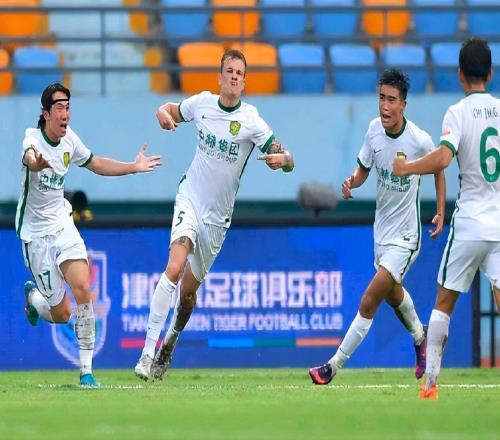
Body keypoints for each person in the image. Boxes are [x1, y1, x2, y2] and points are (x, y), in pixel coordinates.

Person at [134, 49, 295, 381]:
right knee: (174, 267)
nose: (234, 77)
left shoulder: (251, 120)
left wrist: (286, 160)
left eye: (239, 73)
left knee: (187, 296)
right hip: (190, 197)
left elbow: (284, 156)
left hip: (217, 220)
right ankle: (146, 355)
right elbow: (169, 110)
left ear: (244, 82)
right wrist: (160, 113)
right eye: (229, 71)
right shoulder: (202, 104)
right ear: (220, 77)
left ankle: (170, 341)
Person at [17, 82, 161, 387]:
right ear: (45, 114)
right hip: (35, 235)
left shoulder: (69, 140)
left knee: (83, 287)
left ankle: (86, 372)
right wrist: (35, 163)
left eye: (68, 107)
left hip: (62, 223)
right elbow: (29, 156)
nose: (65, 114)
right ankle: (34, 299)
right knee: (62, 313)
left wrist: (132, 167)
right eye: (59, 108)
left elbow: (95, 163)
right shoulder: (33, 139)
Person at [309, 68, 446, 385]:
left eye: (392, 100)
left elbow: (439, 166)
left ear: (403, 105)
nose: (385, 106)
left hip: (406, 237)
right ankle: (420, 336)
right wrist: (351, 182)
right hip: (381, 232)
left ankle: (332, 366)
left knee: (370, 299)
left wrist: (440, 210)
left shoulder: (418, 139)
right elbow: (363, 169)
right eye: (381, 98)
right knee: (393, 294)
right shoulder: (373, 130)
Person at [393, 38, 500, 399]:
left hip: (469, 222)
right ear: (490, 73)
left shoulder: (457, 112)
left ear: (459, 75)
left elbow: (442, 158)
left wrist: (407, 168)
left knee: (443, 305)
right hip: (499, 223)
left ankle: (431, 386)